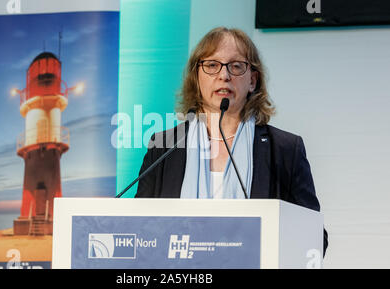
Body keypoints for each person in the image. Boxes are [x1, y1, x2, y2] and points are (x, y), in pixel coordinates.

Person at [135, 27, 328, 255]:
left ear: (252, 81)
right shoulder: (165, 145)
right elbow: (136, 226)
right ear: (197, 78)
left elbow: (314, 236)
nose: (224, 75)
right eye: (212, 65)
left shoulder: (285, 150)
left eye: (236, 66)